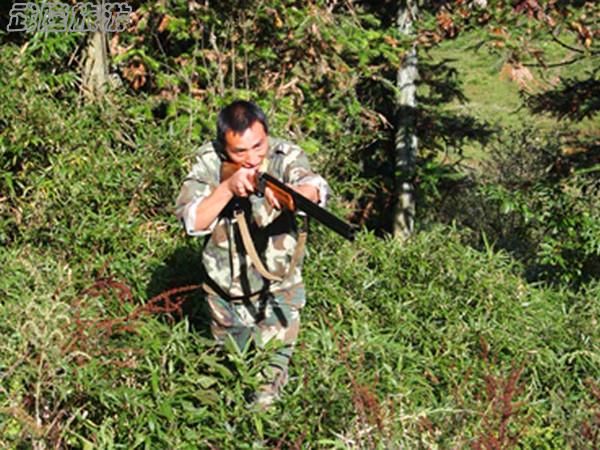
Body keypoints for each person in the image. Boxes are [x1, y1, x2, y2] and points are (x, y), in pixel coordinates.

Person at [175, 100, 329, 407]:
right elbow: (192, 220)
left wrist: (288, 194)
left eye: (258, 146)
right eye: (239, 152)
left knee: (265, 395)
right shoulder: (208, 162)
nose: (252, 158)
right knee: (226, 389)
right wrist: (229, 187)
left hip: (278, 296)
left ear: (267, 135)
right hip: (224, 299)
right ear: (224, 148)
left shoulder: (284, 156)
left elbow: (314, 186)